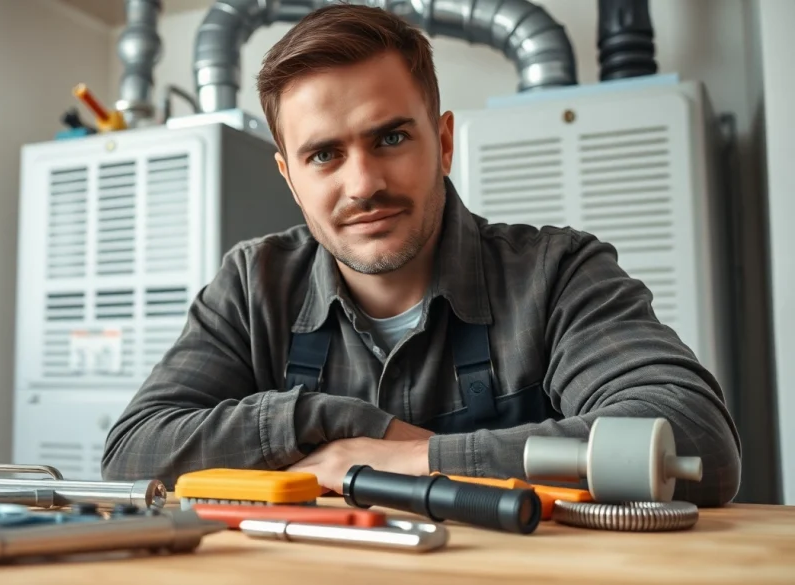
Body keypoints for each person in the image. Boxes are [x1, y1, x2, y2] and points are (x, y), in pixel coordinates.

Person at [101, 4, 741, 506]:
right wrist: (333, 422)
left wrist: (413, 459)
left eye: (391, 137)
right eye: (324, 154)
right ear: (289, 178)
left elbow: (693, 441)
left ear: (442, 141)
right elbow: (134, 453)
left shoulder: (559, 273)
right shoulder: (252, 284)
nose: (363, 184)